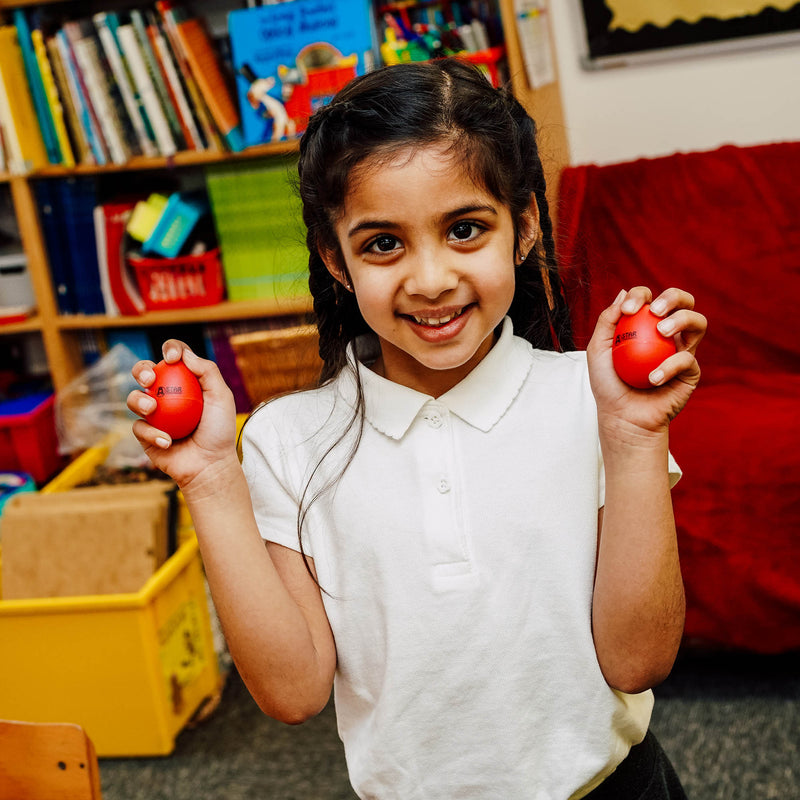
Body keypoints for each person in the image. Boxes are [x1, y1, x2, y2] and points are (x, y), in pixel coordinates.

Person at [128, 59, 707, 799]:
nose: (429, 278)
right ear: (335, 259)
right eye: (383, 244)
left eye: (464, 229)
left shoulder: (592, 402)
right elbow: (291, 691)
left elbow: (639, 661)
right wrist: (211, 482)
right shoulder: (287, 440)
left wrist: (632, 440)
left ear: (523, 228)